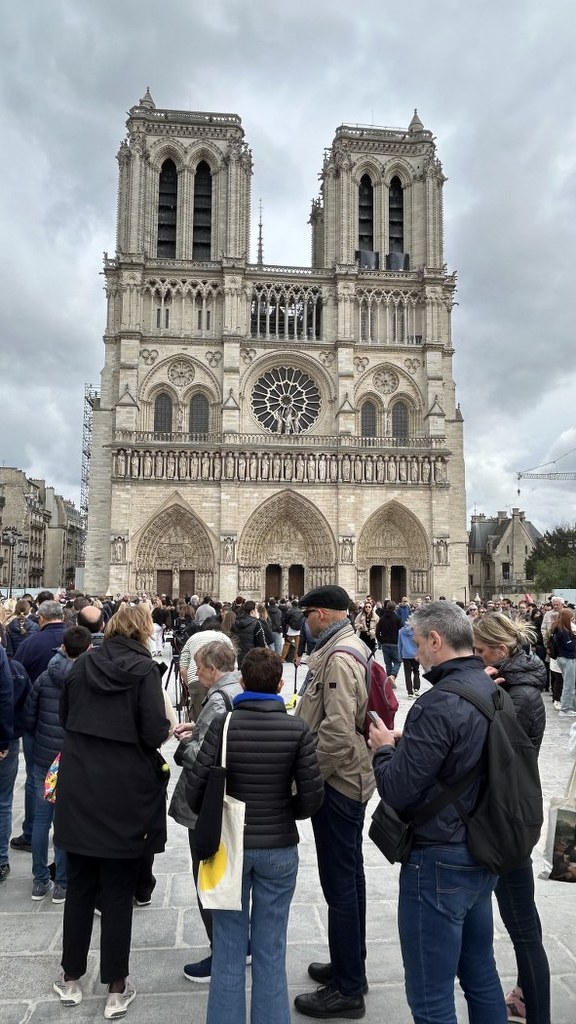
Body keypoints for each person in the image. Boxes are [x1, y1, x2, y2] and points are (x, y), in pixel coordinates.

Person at [369, 601, 507, 1024]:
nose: (414, 651)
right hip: (482, 848)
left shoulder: (437, 703)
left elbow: (397, 790)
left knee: (430, 996)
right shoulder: (492, 689)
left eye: (416, 641)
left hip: (439, 858)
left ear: (435, 639)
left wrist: (384, 750)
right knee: (481, 974)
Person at [186, 648, 323, 1024]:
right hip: (278, 847)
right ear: (279, 685)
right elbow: (312, 797)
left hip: (227, 849)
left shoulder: (224, 724)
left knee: (228, 949)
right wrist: (286, 812)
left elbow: (195, 791)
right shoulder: (297, 729)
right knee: (271, 949)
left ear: (243, 682)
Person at [52, 603, 170, 1019]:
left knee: (80, 886)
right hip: (124, 792)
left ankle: (71, 979)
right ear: (144, 632)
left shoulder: (82, 665)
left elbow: (66, 717)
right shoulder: (146, 671)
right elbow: (154, 732)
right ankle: (116, 989)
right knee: (118, 891)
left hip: (81, 787)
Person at [293, 585, 375, 1019]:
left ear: (322, 614)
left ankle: (347, 990)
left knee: (340, 884)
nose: (304, 620)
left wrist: (310, 779)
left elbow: (338, 732)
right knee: (350, 878)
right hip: (347, 778)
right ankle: (350, 965)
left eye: (307, 613)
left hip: (339, 783)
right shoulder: (345, 645)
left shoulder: (339, 657)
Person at [473, 612, 550, 1024]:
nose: (476, 658)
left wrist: (483, 693)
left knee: (523, 929)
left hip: (509, 818)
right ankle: (524, 995)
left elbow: (497, 756)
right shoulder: (515, 684)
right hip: (512, 811)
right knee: (522, 921)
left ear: (501, 651)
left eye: (480, 651)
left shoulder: (518, 696)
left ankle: (536, 1012)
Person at [168, 640, 243, 982]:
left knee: (208, 876)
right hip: (233, 796)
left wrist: (185, 744)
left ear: (213, 669)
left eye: (200, 667)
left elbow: (203, 755)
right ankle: (240, 945)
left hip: (208, 800)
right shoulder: (238, 688)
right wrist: (196, 729)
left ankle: (221, 952)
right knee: (228, 874)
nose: (196, 674)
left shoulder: (217, 699)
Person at [23, 625, 93, 902]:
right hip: (73, 759)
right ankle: (62, 882)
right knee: (66, 822)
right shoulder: (89, 680)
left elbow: (29, 716)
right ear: (89, 649)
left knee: (42, 820)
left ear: (63, 647)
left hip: (45, 758)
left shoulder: (45, 677)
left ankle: (40, 880)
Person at [180, 617, 235, 721]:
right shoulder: (224, 638)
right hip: (222, 681)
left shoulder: (192, 638)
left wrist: (190, 686)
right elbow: (234, 665)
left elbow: (183, 669)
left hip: (195, 680)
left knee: (200, 720)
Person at [551, 608, 576, 716]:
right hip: (567, 659)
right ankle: (565, 709)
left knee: (569, 684)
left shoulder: (558, 628)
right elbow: (570, 646)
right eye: (571, 618)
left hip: (562, 658)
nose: (572, 620)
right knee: (568, 685)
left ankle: (570, 707)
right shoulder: (562, 631)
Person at [231, 601, 266, 668]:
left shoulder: (237, 621)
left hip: (240, 654)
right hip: (253, 655)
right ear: (252, 611)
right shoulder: (256, 623)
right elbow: (260, 642)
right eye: (256, 610)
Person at [375, 601, 402, 679]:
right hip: (395, 643)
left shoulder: (382, 618)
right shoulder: (397, 618)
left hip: (385, 643)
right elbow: (401, 630)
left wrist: (380, 640)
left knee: (388, 664)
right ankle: (393, 675)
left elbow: (377, 631)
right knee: (397, 662)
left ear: (386, 607)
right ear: (395, 608)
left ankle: (389, 681)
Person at [398, 620, 420, 697]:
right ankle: (416, 688)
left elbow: (400, 644)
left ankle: (410, 692)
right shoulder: (416, 631)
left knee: (407, 674)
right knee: (416, 671)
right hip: (415, 654)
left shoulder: (401, 631)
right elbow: (419, 643)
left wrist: (400, 656)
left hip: (405, 655)